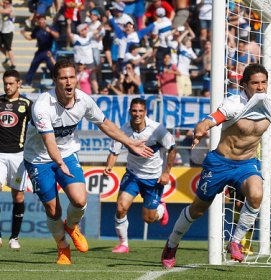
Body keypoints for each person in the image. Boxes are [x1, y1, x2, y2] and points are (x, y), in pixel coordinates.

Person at [161, 63, 271, 268]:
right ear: (244, 85)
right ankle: (172, 244)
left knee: (256, 194)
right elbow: (211, 119)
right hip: (219, 164)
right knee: (198, 210)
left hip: (247, 164)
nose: (260, 87)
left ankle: (235, 242)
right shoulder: (234, 104)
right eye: (255, 83)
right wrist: (201, 128)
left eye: (264, 83)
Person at [23, 59, 153, 265]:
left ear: (77, 79)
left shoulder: (83, 100)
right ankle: (63, 247)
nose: (68, 82)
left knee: (80, 200)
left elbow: (104, 123)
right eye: (63, 78)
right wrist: (58, 162)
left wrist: (130, 142)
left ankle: (72, 226)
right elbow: (49, 140)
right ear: (55, 80)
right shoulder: (41, 105)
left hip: (67, 153)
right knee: (52, 209)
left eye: (72, 77)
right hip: (39, 159)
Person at [104, 98, 176, 253]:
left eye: (140, 111)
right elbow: (113, 151)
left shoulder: (157, 129)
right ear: (130, 111)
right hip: (133, 175)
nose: (137, 114)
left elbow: (172, 148)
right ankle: (124, 244)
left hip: (154, 178)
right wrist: (109, 167)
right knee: (121, 207)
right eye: (134, 111)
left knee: (149, 219)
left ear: (145, 112)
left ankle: (161, 209)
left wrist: (166, 173)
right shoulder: (123, 130)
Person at [0, 70, 32, 249]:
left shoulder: (27, 104)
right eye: (5, 83)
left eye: (11, 83)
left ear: (19, 83)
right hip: (0, 155)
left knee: (18, 196)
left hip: (18, 156)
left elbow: (37, 128)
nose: (7, 86)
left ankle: (14, 237)